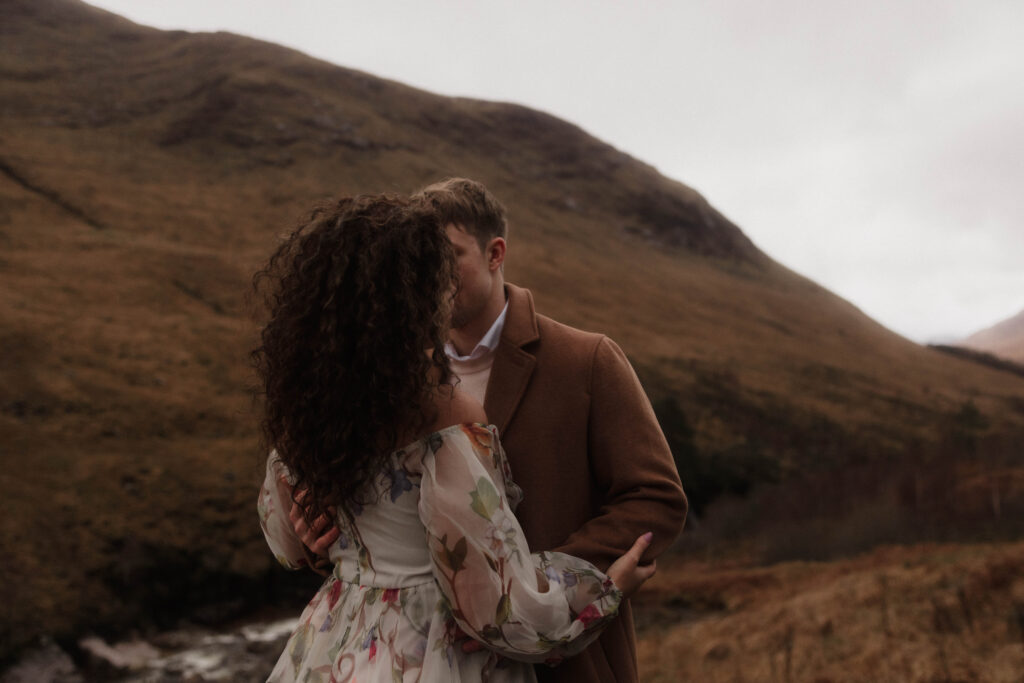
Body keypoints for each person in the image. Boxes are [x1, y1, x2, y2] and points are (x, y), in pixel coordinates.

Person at [293, 179, 688, 683]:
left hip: (566, 661)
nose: (431, 275)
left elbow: (655, 497)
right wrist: (317, 537)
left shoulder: (586, 359)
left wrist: (541, 584)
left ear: (495, 252)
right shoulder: (393, 376)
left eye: (449, 255)